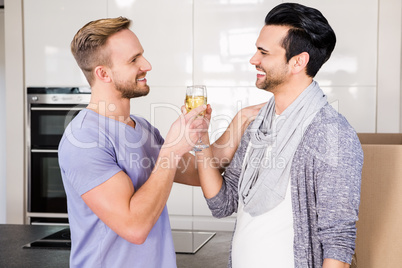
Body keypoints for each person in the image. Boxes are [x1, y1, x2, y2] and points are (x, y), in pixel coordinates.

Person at [58, 17, 261, 267]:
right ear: (103, 73)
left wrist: (239, 121)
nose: (147, 65)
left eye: (141, 55)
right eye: (134, 59)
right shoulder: (83, 140)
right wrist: (172, 149)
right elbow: (135, 227)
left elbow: (202, 172)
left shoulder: (141, 128)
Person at [195, 3, 363, 268]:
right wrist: (200, 140)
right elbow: (223, 204)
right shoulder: (257, 126)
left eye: (263, 52)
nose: (253, 60)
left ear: (298, 61)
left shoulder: (332, 134)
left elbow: (338, 240)